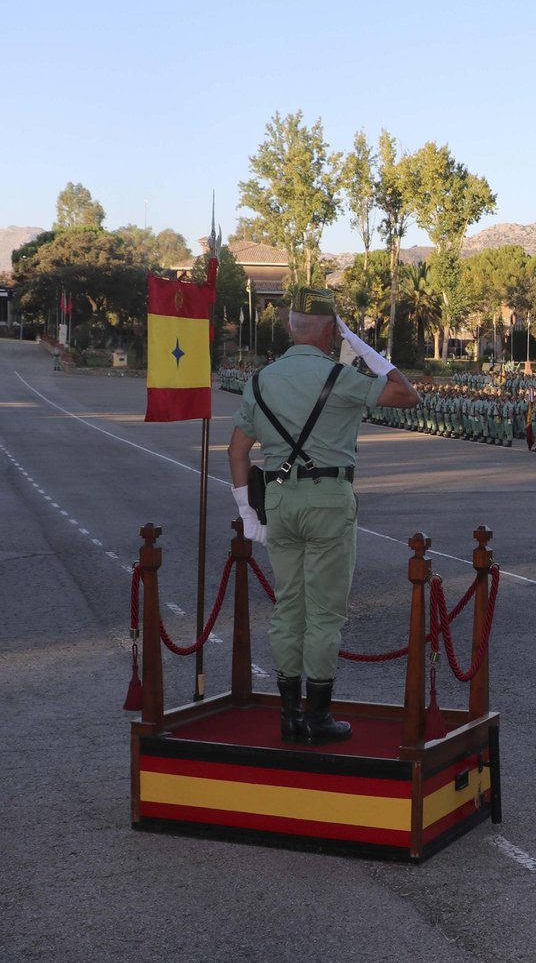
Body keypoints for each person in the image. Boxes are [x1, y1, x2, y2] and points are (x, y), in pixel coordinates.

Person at [228, 288, 419, 745]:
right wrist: (367, 350)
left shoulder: (260, 380)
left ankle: (288, 715)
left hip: (277, 503)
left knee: (288, 607)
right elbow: (406, 395)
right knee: (325, 614)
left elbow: (237, 451)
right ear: (333, 330)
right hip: (328, 500)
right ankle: (316, 718)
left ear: (291, 327)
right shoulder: (341, 376)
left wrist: (246, 513)